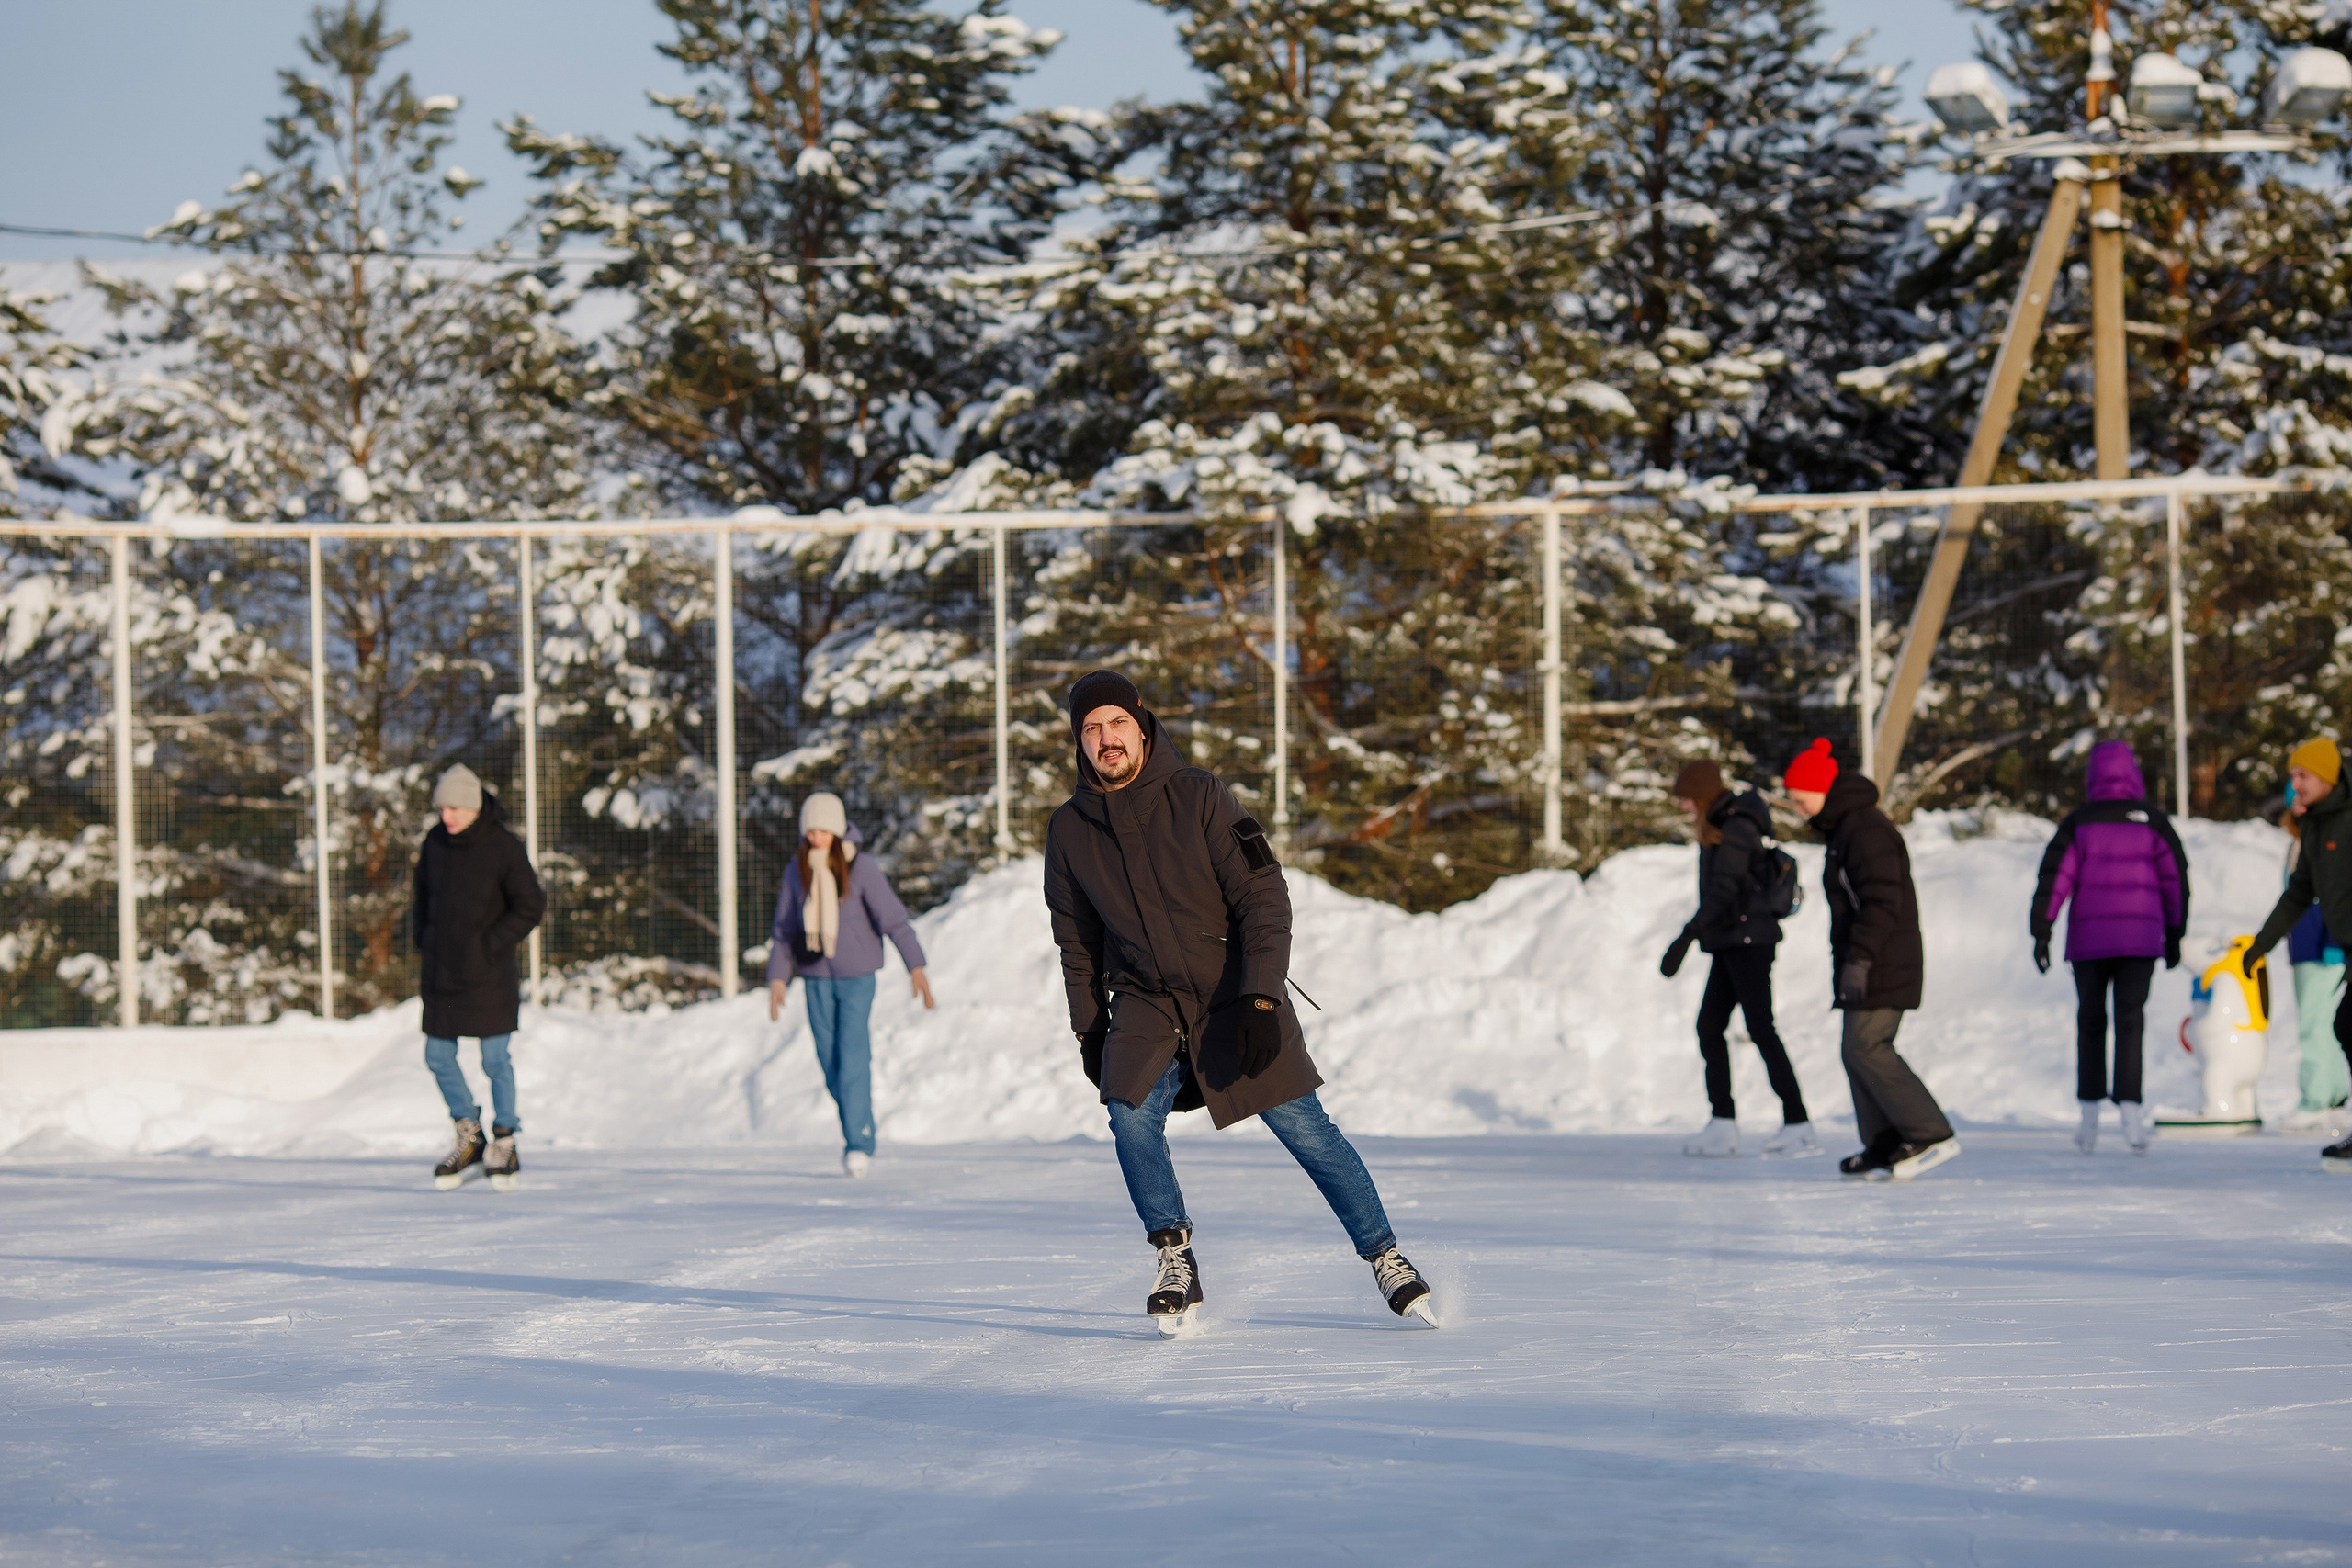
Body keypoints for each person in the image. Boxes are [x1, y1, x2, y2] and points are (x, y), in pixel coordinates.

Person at [1042, 669, 1437, 1333]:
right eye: (1090, 729)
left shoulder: (1200, 794)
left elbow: (1262, 895)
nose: (1105, 739)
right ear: (1079, 743)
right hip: (1146, 999)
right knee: (1128, 1111)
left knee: (1306, 1129)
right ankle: (1174, 1254)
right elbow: (1075, 939)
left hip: (1232, 990)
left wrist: (1259, 997)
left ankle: (1385, 1253)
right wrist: (1090, 1030)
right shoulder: (1071, 829)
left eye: (1115, 724)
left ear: (1142, 725)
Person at [1781, 739, 1960, 1180]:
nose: (1794, 804)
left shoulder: (1865, 830)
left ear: (1821, 788)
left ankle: (1929, 1133)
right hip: (1865, 958)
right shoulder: (1846, 829)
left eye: (1797, 795)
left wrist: (1860, 958)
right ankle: (1883, 1142)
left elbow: (1882, 901)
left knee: (1868, 1046)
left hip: (1883, 958)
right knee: (1855, 1050)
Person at [2028, 741, 2188, 1156]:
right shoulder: (2152, 821)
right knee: (2130, 1021)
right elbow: (2176, 880)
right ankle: (2131, 1112)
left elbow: (2054, 878)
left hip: (2089, 943)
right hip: (2140, 941)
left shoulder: (2079, 822)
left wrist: (2041, 931)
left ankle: (2089, 1114)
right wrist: (2174, 934)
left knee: (2091, 1021)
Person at [765, 791, 935, 1178]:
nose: (817, 837)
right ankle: (857, 1127)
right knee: (829, 1062)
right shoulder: (797, 870)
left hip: (857, 976)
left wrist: (916, 966)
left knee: (852, 1055)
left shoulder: (862, 869)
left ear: (838, 828)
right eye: (811, 830)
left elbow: (894, 920)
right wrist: (778, 978)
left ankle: (859, 1142)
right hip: (814, 977)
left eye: (824, 829)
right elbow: (784, 930)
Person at [1659, 759, 1816, 1158]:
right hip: (1732, 940)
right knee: (1709, 1027)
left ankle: (1798, 1123)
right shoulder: (1722, 824)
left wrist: (1688, 934)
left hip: (1750, 941)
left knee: (1761, 1028)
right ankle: (1722, 1123)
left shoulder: (1737, 826)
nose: (1684, 807)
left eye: (1688, 799)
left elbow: (1725, 888)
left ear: (1704, 795)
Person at [413, 764, 546, 1192]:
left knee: (494, 1060)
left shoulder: (503, 847)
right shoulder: (434, 843)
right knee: (437, 1056)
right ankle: (469, 1135)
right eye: (441, 808)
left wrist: (490, 945)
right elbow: (421, 899)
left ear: (472, 806)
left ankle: (505, 1140)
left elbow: (530, 905)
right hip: (441, 973)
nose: (446, 816)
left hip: (488, 975)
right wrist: (425, 941)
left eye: (453, 807)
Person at [2246, 738, 2352, 1171]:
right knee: (2346, 1026)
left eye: (2302, 776)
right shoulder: (2314, 826)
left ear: (2326, 777)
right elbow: (2298, 894)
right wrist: (2259, 946)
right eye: (2292, 776)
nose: (2295, 784)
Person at [2276, 784, 2350, 1132]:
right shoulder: (2302, 841)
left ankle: (2316, 1097)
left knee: (2315, 1022)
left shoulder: (2324, 839)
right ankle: (2334, 1093)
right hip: (2306, 944)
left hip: (2322, 946)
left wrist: (2335, 944)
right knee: (2325, 1020)